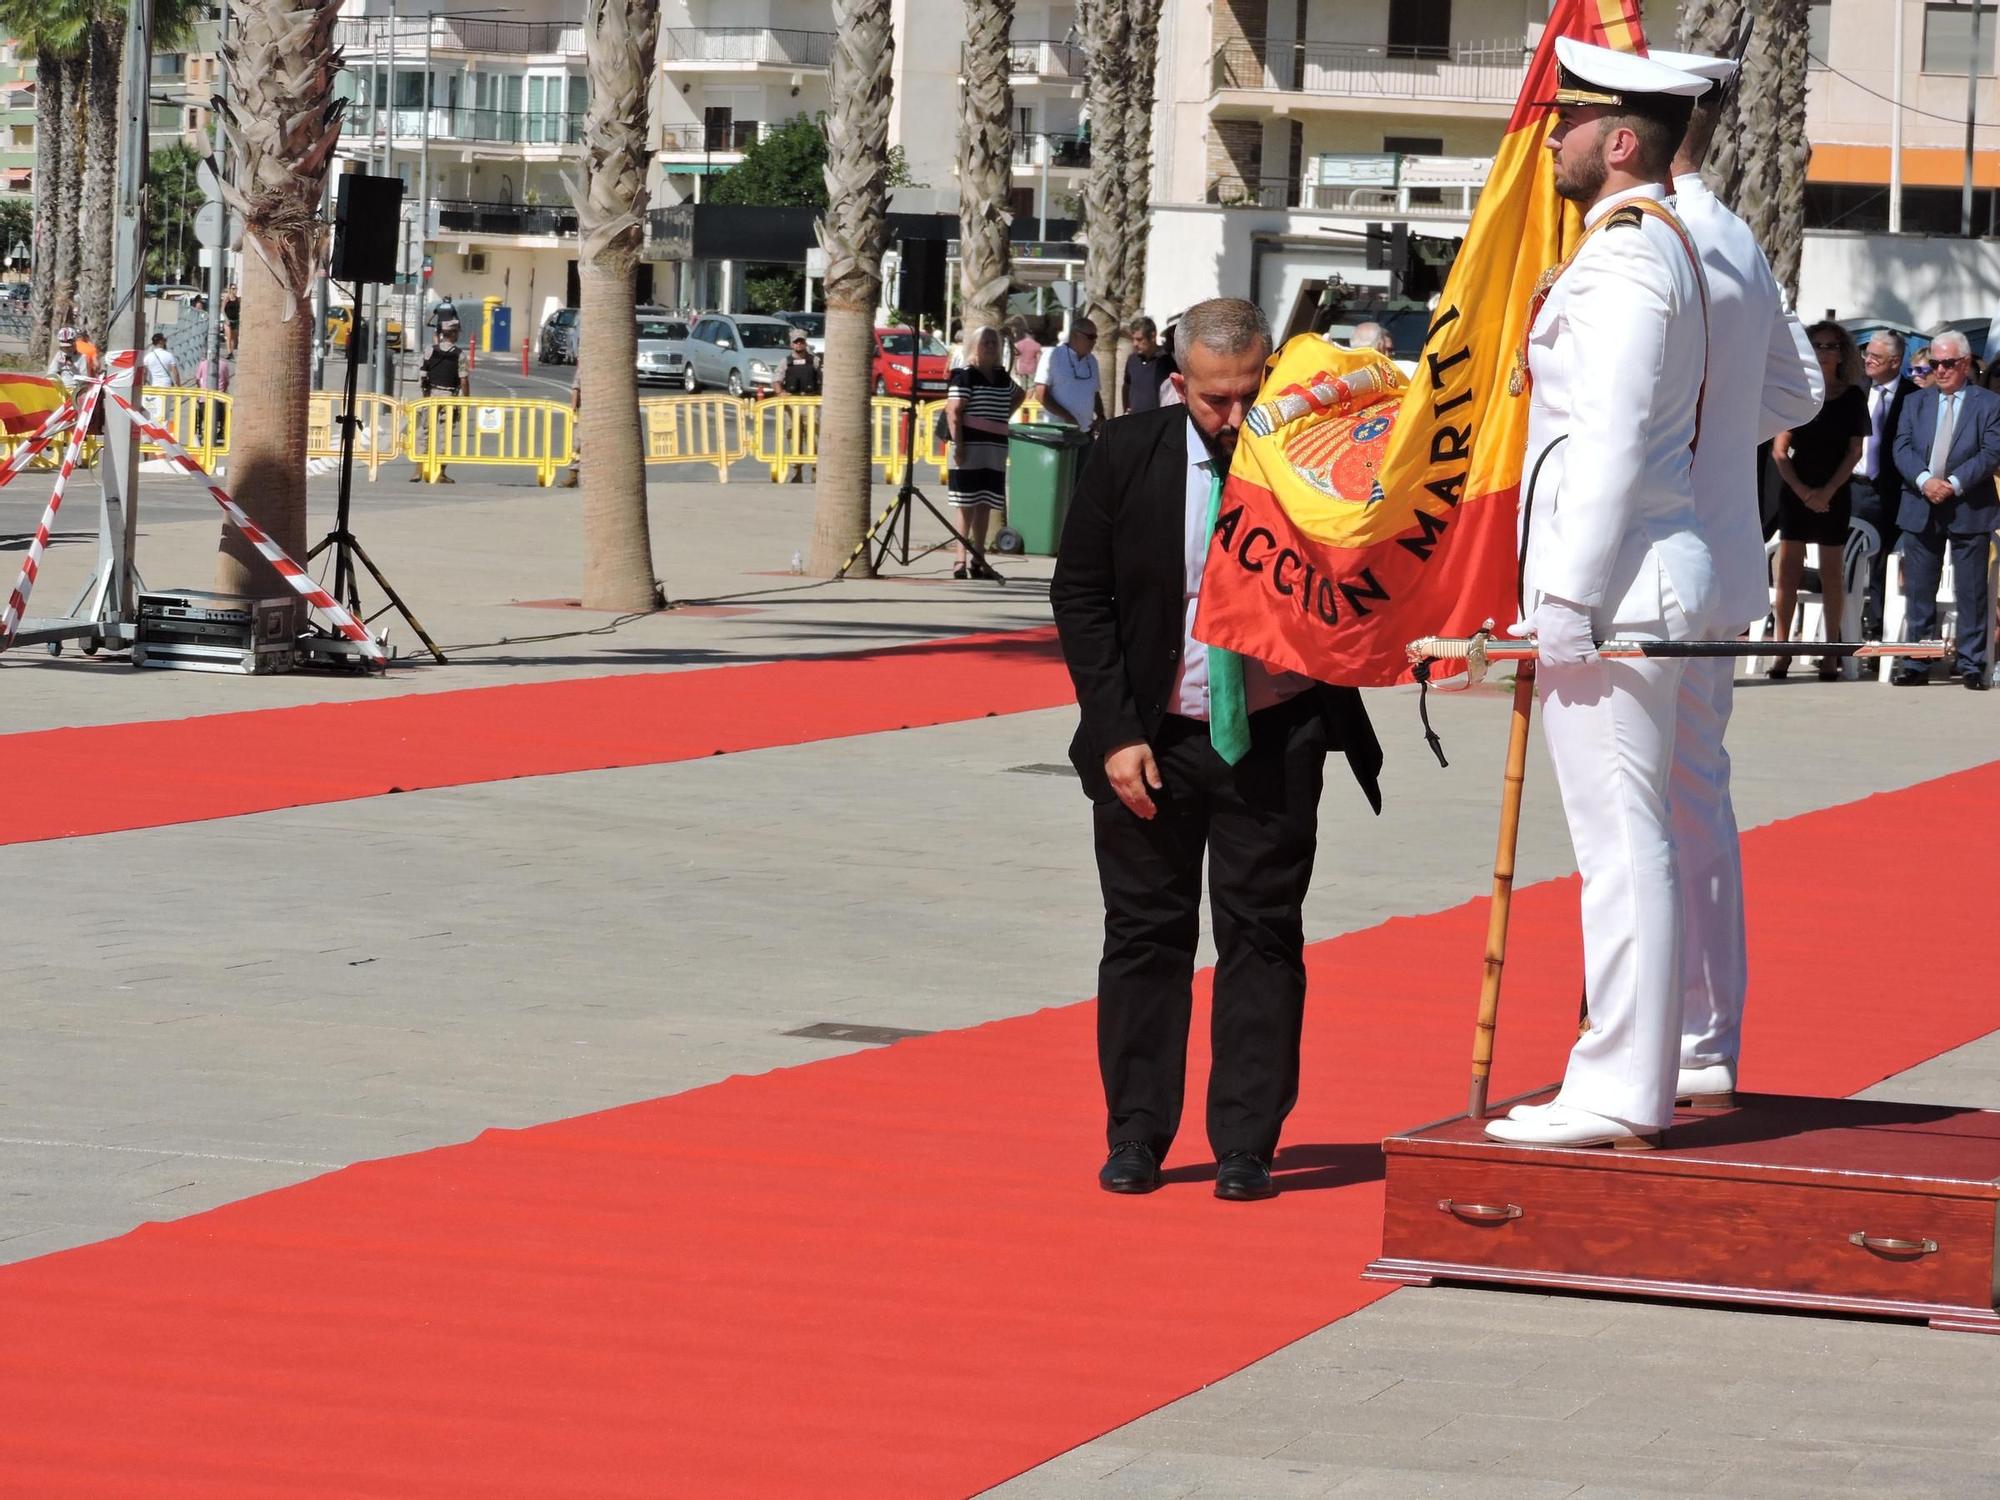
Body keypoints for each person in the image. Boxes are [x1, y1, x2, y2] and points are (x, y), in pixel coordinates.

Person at [1049, 297, 1382, 1201]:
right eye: (1213, 402)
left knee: (1263, 939)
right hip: (1152, 742)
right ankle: (1137, 1136)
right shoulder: (1126, 454)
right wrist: (1115, 733)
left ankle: (1247, 1141)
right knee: (1145, 938)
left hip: (1274, 736)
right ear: (1177, 382)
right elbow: (1081, 598)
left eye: (1247, 396)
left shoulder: (1316, 461)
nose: (1232, 419)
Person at [1483, 40, 1716, 1151]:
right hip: (1631, 580)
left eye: (1568, 119)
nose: (1552, 135)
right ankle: (1629, 1071)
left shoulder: (1626, 259)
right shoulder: (1635, 247)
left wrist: (1564, 598)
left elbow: (1614, 437)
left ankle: (1620, 1085)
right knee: (1633, 840)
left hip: (1616, 589)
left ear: (1618, 141)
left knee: (1620, 846)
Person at [1649, 48, 1821, 1111]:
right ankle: (1698, 1037)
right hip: (1710, 559)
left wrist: (1685, 447)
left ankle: (1659, 1039)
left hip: (1643, 569)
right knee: (1691, 807)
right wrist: (1717, 450)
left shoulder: (1649, 235)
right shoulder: (1731, 235)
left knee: (1644, 820)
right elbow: (1795, 390)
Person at [1889, 328, 2000, 689]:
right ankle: (1918, 663)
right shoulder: (1914, 402)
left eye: (1948, 363)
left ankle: (1970, 664)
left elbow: (1991, 452)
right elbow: (1901, 447)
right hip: (1921, 503)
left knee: (1971, 592)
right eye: (1934, 363)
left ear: (1965, 363)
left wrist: (1952, 483)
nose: (1940, 370)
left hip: (1969, 505)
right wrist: (1924, 480)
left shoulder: (1989, 403)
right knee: (1920, 591)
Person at [1768, 321, 1867, 679]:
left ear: (1843, 353)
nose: (1825, 352)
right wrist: (1802, 491)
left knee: (1832, 574)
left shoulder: (1853, 396)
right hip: (1797, 488)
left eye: (1831, 346)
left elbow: (1855, 451)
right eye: (1819, 345)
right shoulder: (1797, 391)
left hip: (1834, 490)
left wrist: (1825, 492)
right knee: (1787, 572)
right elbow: (1780, 451)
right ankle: (1782, 650)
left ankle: (1830, 651)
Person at [1849, 331, 1918, 646]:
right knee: (1846, 562)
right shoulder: (1856, 391)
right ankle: (1842, 631)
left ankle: (1876, 630)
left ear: (1895, 361)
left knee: (1880, 565)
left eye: (1875, 357)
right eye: (1866, 354)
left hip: (1890, 491)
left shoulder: (1913, 397)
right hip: (1852, 487)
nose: (1867, 361)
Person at [944, 325, 1022, 578]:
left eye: (993, 343)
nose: (989, 346)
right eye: (984, 342)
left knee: (986, 503)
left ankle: (979, 558)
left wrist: (1000, 418)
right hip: (969, 446)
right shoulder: (965, 374)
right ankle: (959, 559)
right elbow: (953, 411)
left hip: (994, 448)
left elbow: (1019, 394)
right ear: (973, 346)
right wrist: (959, 444)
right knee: (965, 504)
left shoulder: (1000, 376)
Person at [413, 318, 469, 484]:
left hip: (431, 394)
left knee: (424, 430)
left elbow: (422, 374)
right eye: (457, 332)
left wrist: (425, 394)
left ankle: (418, 470)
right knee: (445, 434)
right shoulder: (459, 354)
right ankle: (440, 473)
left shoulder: (430, 350)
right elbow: (464, 380)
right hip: (449, 396)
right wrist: (466, 400)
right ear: (453, 334)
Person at [1032, 317, 1104, 432]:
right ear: (1075, 335)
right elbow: (1040, 394)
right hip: (1059, 432)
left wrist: (1101, 416)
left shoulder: (1092, 361)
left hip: (1085, 432)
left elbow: (1095, 393)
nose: (1094, 342)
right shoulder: (1052, 356)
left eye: (1095, 337)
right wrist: (1067, 417)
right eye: (1090, 337)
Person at [779, 331, 820, 482]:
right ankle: (796, 472)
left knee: (814, 437)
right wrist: (781, 392)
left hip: (811, 403)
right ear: (791, 343)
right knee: (793, 437)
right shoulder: (786, 361)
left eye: (801, 341)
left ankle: (816, 471)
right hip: (792, 404)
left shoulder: (814, 360)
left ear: (805, 343)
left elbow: (823, 378)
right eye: (796, 342)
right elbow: (776, 379)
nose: (799, 344)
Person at [1120, 316, 1176, 414]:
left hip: (1159, 421)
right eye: (1133, 339)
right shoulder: (1132, 360)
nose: (1134, 344)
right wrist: (1126, 408)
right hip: (1136, 421)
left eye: (1139, 339)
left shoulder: (1166, 360)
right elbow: (1127, 386)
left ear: (1152, 336)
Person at [1007, 317, 1041, 395]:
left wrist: (1015, 369)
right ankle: (1029, 400)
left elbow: (1016, 358)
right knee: (1031, 387)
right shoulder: (1036, 345)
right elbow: (1038, 358)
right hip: (1032, 369)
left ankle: (1023, 401)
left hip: (1021, 368)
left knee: (1023, 387)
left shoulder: (1018, 344)